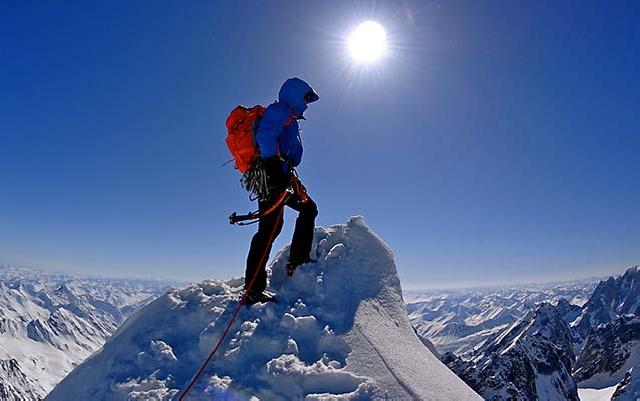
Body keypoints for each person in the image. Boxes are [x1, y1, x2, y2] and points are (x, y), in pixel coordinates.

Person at [243, 78, 319, 304]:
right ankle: (253, 290)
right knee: (269, 230)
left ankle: (297, 260)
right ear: (295, 95)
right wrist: (272, 166)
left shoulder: (290, 117)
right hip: (273, 177)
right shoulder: (280, 110)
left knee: (307, 209)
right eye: (305, 98)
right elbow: (265, 136)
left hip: (282, 176)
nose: (307, 104)